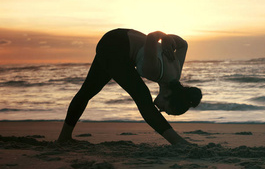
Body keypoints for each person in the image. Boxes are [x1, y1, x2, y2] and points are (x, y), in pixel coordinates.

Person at [57, 28, 202, 145]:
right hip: (115, 45)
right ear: (169, 96)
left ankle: (64, 137)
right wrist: (164, 36)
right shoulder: (154, 70)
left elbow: (183, 44)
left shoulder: (176, 73)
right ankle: (178, 142)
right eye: (166, 109)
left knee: (88, 91)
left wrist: (168, 40)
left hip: (119, 38)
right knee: (142, 96)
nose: (161, 110)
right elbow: (151, 37)